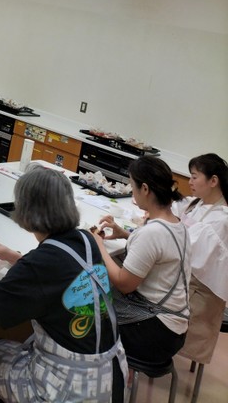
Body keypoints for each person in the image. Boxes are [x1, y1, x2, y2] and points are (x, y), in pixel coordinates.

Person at [0, 164, 127, 403]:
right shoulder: (86, 240)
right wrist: (12, 255)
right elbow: (57, 275)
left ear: (25, 212)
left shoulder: (40, 265)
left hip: (70, 390)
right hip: (111, 377)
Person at [93, 155, 191, 403]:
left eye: (132, 185)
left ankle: (96, 383)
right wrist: (124, 234)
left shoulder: (152, 232)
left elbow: (124, 284)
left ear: (145, 189)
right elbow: (158, 250)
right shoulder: (176, 224)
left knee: (88, 295)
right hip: (175, 329)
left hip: (154, 333)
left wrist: (99, 246)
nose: (131, 190)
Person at [174, 153, 228, 364]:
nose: (190, 182)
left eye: (194, 177)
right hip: (184, 278)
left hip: (197, 291)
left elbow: (187, 250)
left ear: (213, 181)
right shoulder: (197, 203)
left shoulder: (221, 220)